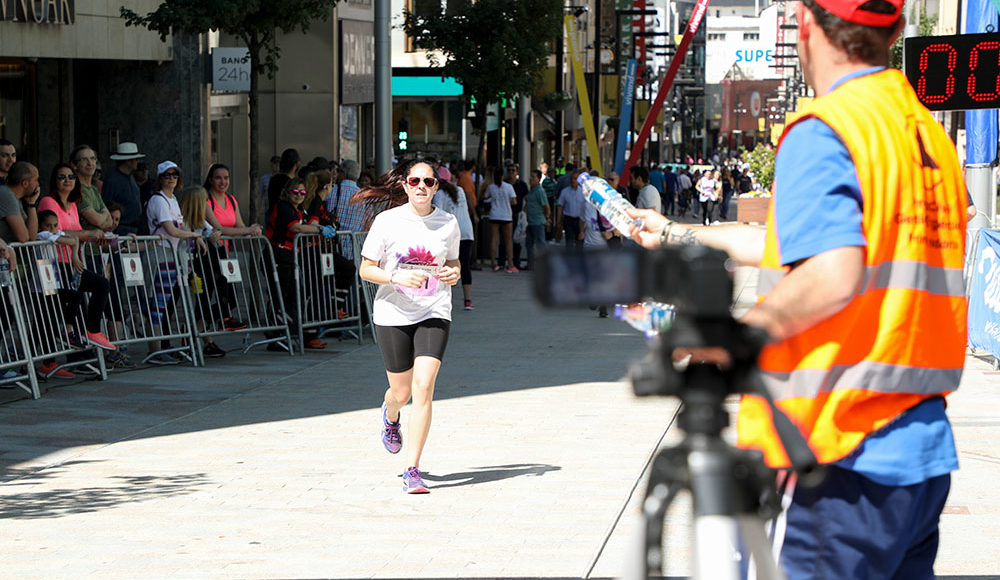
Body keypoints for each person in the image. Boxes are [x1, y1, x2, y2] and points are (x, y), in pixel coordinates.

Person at [628, 0, 966, 576]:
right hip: (918, 450)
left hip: (832, 448)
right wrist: (676, 232)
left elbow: (831, 269)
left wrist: (737, 337)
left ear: (806, 24)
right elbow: (801, 243)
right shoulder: (923, 134)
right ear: (895, 28)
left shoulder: (827, 127)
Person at [356, 159, 460, 494]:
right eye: (415, 181)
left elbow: (454, 262)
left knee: (424, 387)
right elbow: (366, 269)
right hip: (393, 313)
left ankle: (412, 469)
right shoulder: (388, 222)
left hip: (434, 310)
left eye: (428, 182)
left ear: (436, 187)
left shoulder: (448, 223)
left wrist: (453, 273)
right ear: (404, 185)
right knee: (401, 393)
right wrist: (395, 277)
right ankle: (391, 414)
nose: (421, 187)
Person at [265, 177, 328, 350]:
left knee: (293, 296)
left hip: (290, 256)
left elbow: (309, 224)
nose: (299, 195)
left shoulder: (299, 209)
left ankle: (287, 334)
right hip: (277, 254)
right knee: (281, 296)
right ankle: (275, 337)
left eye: (302, 192)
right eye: (295, 192)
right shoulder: (283, 207)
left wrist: (319, 223)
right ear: (287, 192)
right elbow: (296, 228)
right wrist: (319, 229)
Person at [176, 186, 228, 358]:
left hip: (204, 268)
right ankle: (198, 336)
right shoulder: (183, 221)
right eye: (203, 201)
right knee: (199, 301)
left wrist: (216, 233)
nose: (206, 205)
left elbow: (214, 231)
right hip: (188, 268)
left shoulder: (201, 221)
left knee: (213, 297)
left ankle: (199, 332)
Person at [432, 165, 475, 309]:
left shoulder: (439, 194)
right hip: (467, 231)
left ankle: (444, 300)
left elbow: (437, 214)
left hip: (451, 233)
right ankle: (467, 300)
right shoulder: (460, 190)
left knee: (446, 266)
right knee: (465, 265)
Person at [101, 142, 145, 235]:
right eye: (136, 159)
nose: (138, 162)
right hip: (120, 229)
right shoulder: (112, 180)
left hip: (135, 228)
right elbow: (105, 205)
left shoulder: (131, 177)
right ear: (128, 161)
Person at [482, 166, 518, 272]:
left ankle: (494, 264)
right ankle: (510, 264)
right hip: (506, 215)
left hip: (494, 215)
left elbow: (485, 197)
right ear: (503, 175)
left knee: (494, 240)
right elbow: (514, 201)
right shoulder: (508, 187)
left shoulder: (491, 187)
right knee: (508, 241)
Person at [0, 161, 40, 243]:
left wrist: (31, 203)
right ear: (25, 183)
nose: (38, 184)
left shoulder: (16, 198)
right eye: (36, 180)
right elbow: (23, 237)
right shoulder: (6, 194)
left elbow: (32, 237)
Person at [523, 169, 550, 271]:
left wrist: (546, 218)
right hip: (530, 222)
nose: (531, 179)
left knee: (540, 244)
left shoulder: (540, 191)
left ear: (538, 179)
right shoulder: (531, 191)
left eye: (533, 177)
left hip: (538, 222)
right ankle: (530, 265)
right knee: (529, 244)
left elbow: (546, 207)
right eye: (531, 176)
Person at [556, 168, 585, 249]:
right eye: (572, 179)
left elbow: (585, 207)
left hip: (579, 220)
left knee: (579, 242)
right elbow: (560, 207)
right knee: (569, 242)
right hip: (568, 219)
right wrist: (559, 221)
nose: (573, 181)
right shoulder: (565, 192)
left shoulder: (583, 192)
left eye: (575, 179)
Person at [267, 148, 300, 214]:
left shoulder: (273, 179)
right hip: (288, 216)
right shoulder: (292, 183)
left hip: (273, 215)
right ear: (297, 164)